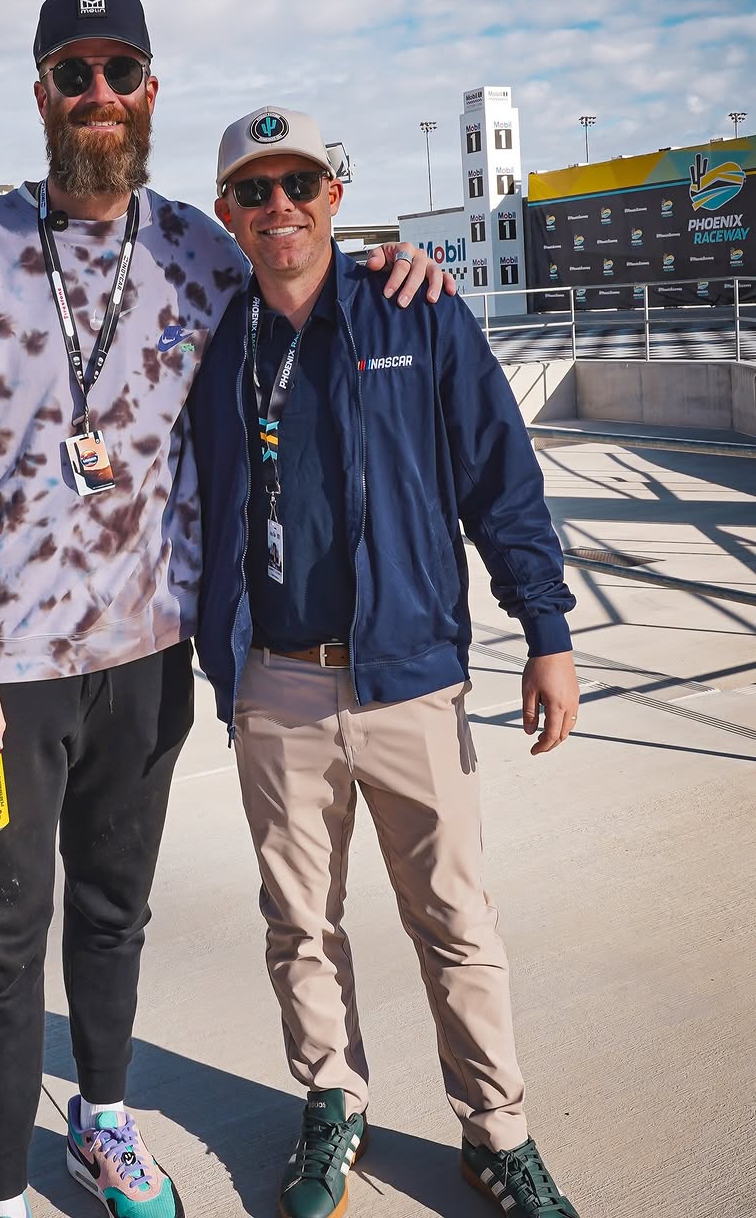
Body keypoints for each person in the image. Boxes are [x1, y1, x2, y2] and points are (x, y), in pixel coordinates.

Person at [0, 0, 453, 1218]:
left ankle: (103, 1123)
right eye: (74, 71)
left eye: (121, 70)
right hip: (5, 675)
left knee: (112, 915)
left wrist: (397, 263)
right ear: (43, 92)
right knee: (1, 943)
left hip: (147, 660)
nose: (99, 93)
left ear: (152, 91)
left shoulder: (200, 248)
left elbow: (302, 278)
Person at [190, 106, 582, 1218]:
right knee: (300, 923)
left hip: (410, 675)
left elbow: (500, 478)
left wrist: (546, 631)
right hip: (276, 683)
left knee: (455, 921)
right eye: (254, 192)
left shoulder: (415, 307)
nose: (280, 208)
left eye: (299, 184)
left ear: (335, 194)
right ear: (228, 214)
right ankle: (333, 1104)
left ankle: (496, 1133)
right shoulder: (213, 344)